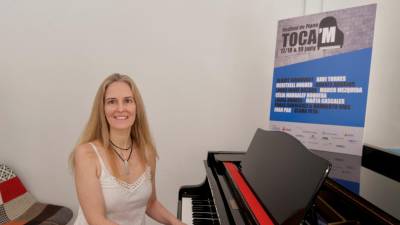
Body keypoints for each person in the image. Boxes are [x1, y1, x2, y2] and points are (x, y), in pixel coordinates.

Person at [70, 73, 186, 225]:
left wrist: (176, 222)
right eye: (112, 102)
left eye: (127, 101)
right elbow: (96, 220)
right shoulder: (86, 154)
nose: (120, 108)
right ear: (102, 109)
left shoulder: (147, 152)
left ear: (136, 107)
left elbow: (150, 204)